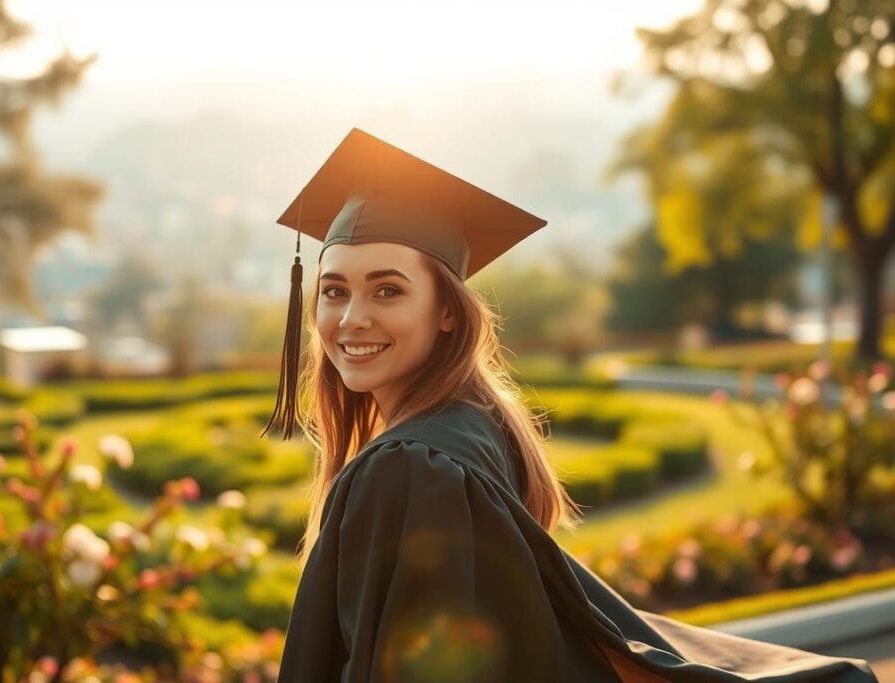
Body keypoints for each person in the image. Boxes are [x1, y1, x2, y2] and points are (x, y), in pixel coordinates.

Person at [260, 128, 879, 682]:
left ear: (448, 309)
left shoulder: (409, 465)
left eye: (388, 289)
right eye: (334, 290)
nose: (350, 318)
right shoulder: (475, 424)